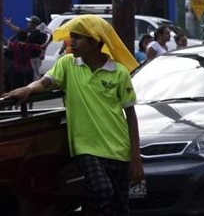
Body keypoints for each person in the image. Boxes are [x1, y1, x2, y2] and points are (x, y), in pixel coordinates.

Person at [0, 15, 143, 215]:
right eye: (71, 37)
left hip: (119, 149)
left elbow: (131, 115)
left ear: (94, 41)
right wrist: (28, 89)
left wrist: (136, 158)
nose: (71, 42)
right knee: (103, 191)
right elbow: (45, 82)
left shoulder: (119, 73)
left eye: (78, 38)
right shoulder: (68, 64)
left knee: (119, 208)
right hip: (86, 148)